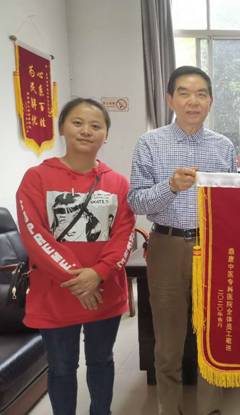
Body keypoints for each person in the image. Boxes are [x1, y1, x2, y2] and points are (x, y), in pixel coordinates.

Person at [16, 97, 136, 415]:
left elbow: (125, 235)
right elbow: (34, 234)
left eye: (96, 125)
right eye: (77, 123)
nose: (86, 131)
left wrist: (97, 274)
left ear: (106, 135)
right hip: (55, 294)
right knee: (61, 368)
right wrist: (77, 279)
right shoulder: (36, 178)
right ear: (62, 128)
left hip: (104, 291)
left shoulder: (118, 183)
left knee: (102, 361)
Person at [128, 66, 236, 415]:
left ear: (210, 101)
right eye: (185, 93)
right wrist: (170, 187)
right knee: (169, 342)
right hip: (167, 245)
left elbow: (233, 203)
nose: (193, 101)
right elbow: (137, 201)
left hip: (214, 247)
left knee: (212, 337)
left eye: (201, 94)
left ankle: (211, 409)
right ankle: (168, 407)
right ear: (170, 99)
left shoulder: (223, 146)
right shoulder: (150, 143)